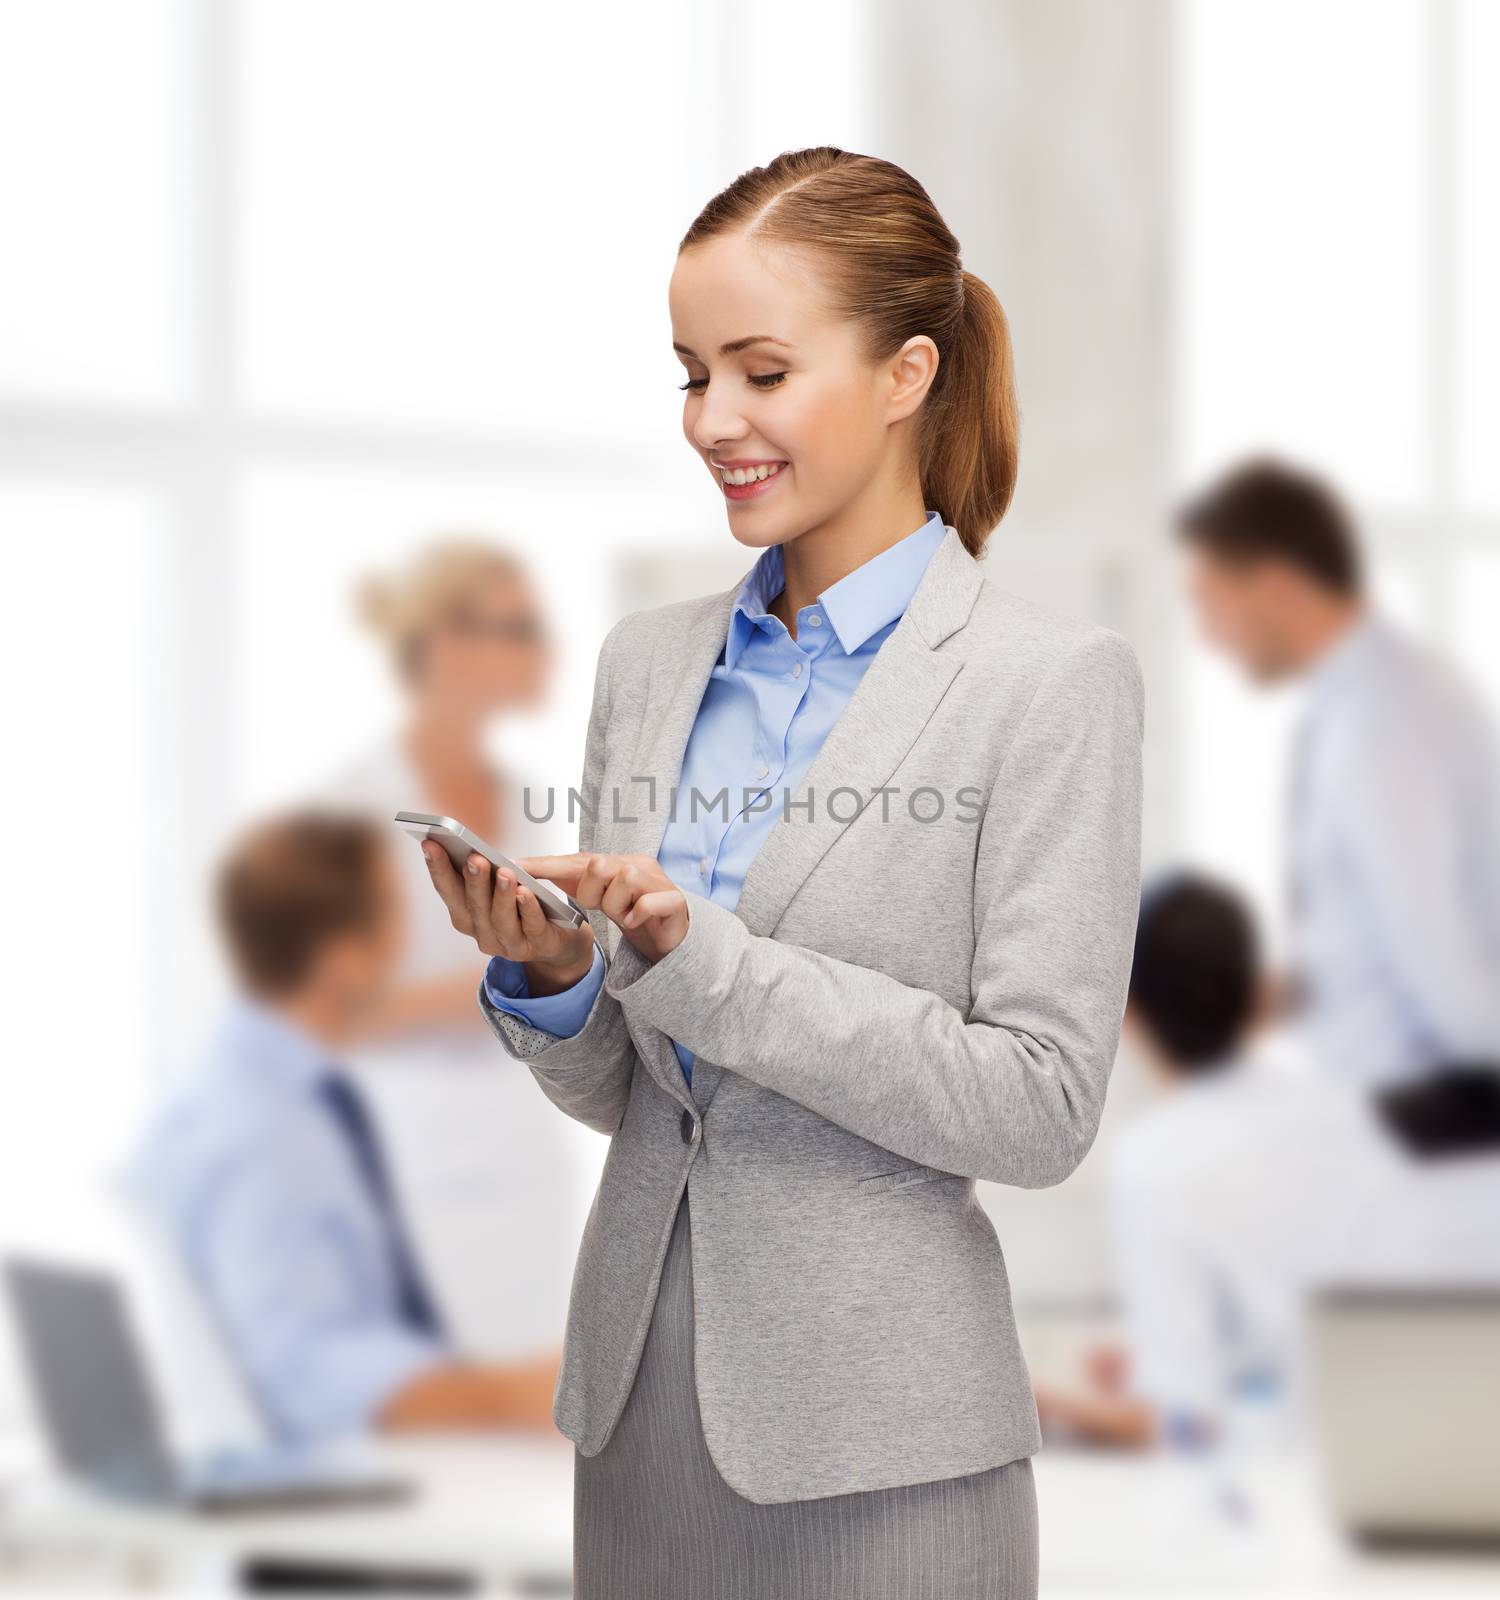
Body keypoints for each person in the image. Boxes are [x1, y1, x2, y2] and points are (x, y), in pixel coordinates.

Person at [418, 146, 1145, 1598]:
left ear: (905, 373)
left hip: (889, 1446)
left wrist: (713, 965)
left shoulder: (1046, 684)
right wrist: (557, 980)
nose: (714, 421)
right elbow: (643, 1093)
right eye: (691, 375)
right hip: (637, 1414)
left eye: (761, 371)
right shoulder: (651, 661)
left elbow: (1043, 1103)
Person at [127, 810, 561, 1446]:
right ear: (342, 958)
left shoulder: (238, 1095)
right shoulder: (268, 1131)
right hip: (317, 1515)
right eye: (392, 911)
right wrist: (532, 1395)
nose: (407, 935)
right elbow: (316, 1375)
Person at [1035, 870, 1500, 1452]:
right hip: (1422, 1441)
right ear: (1261, 995)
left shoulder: (1155, 1159)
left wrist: (1046, 1407)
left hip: (1289, 1487)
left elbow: (1183, 1423)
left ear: (1126, 1014)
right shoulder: (1346, 1109)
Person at [319, 539, 587, 1363]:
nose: (544, 650)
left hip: (525, 1170)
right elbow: (328, 1018)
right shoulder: (354, 811)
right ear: (444, 648)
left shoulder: (529, 803)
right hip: (410, 1172)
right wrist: (514, 975)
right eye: (518, 627)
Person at [1174, 456, 1500, 1089]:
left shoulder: (1382, 724)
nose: (1208, 636)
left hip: (1430, 1127)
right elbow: (1393, 922)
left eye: (1211, 602)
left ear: (1275, 586)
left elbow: (1443, 958)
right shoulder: (1371, 702)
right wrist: (1300, 989)